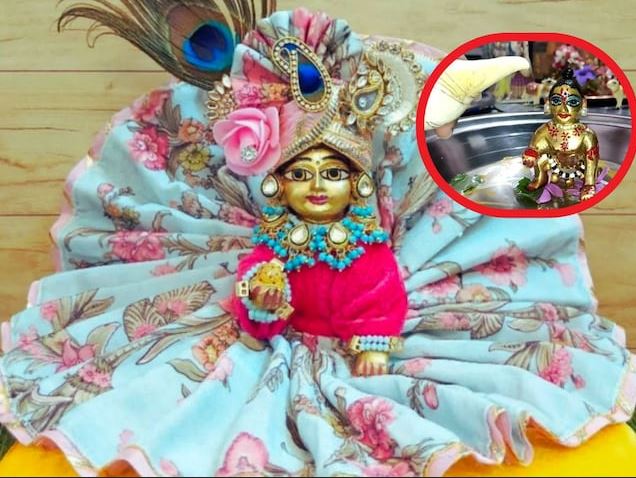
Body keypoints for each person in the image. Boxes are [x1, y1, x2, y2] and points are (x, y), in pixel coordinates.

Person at [0, 3, 634, 477]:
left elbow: (380, 295)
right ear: (277, 184)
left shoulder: (365, 242)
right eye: (301, 175)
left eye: (333, 174)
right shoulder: (276, 238)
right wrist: (262, 302)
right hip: (284, 334)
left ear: (357, 183)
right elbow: (256, 291)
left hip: (356, 344)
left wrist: (374, 343)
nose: (317, 187)